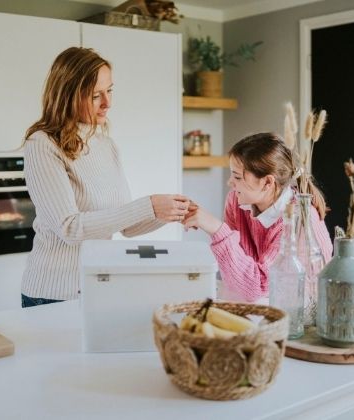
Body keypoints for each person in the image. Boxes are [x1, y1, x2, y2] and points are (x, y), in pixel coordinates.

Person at [21, 47, 190, 307]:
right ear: (68, 95)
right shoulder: (42, 144)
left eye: (109, 91)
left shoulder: (105, 143)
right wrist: (149, 205)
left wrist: (171, 213)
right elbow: (70, 228)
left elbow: (127, 226)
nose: (107, 103)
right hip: (53, 293)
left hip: (97, 287)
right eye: (95, 95)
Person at [183, 132, 333, 303]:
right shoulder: (236, 201)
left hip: (302, 313)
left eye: (238, 177)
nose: (230, 182)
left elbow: (256, 287)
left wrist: (216, 229)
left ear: (267, 182)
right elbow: (238, 278)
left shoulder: (297, 218)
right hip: (264, 303)